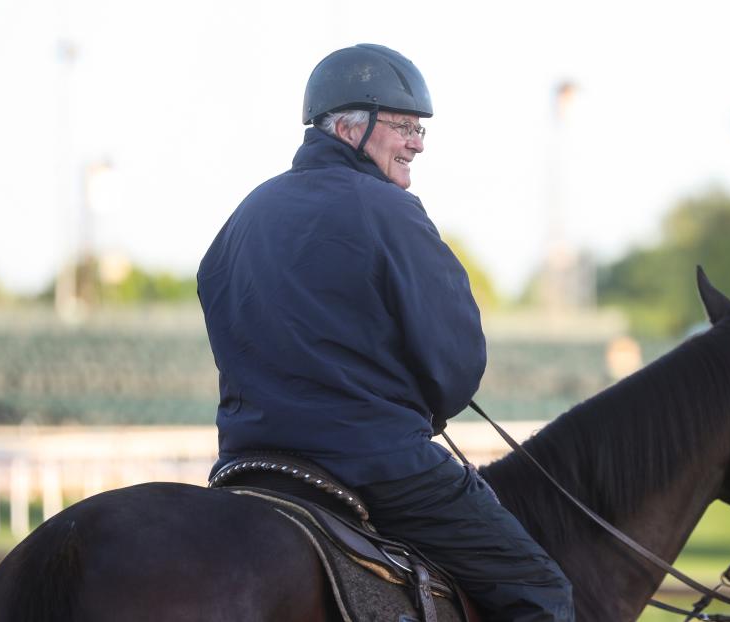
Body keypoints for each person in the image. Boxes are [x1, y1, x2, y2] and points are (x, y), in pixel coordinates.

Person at [197, 44, 573, 621]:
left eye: (420, 130)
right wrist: (426, 406)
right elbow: (456, 362)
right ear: (352, 126)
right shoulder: (391, 210)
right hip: (375, 465)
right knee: (542, 591)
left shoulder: (243, 216)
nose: (418, 143)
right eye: (404, 126)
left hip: (248, 461)